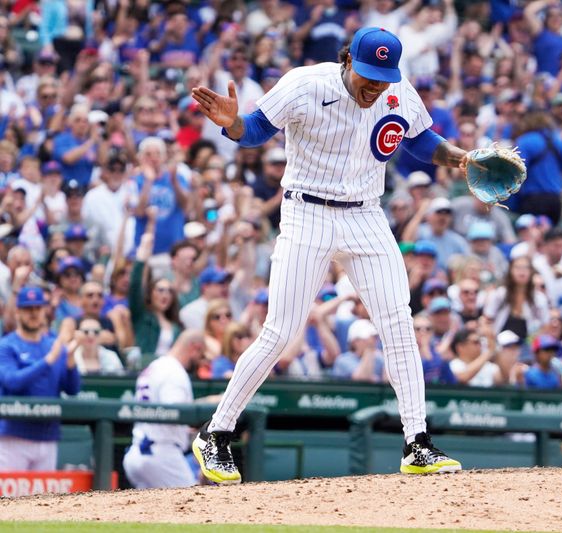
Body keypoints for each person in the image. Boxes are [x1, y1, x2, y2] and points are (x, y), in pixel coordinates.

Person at [189, 26, 465, 482]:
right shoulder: (306, 83)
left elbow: (418, 140)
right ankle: (216, 433)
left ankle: (417, 442)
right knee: (280, 331)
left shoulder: (396, 91)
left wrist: (462, 159)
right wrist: (233, 124)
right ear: (348, 60)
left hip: (366, 215)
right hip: (306, 211)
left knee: (398, 323)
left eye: (384, 75)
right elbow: (255, 130)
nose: (375, 85)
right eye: (368, 73)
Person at [0, 286, 80, 471]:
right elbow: (12, 381)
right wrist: (48, 361)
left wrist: (70, 360)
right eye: (28, 309)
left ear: (45, 310)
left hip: (48, 436)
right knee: (9, 499)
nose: (33, 313)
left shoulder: (53, 345)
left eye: (37, 308)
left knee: (44, 500)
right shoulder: (6, 345)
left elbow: (72, 389)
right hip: (13, 436)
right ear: (18, 312)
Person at [122, 330, 206, 488]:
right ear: (195, 347)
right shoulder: (174, 372)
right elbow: (176, 412)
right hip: (162, 455)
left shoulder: (154, 366)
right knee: (194, 503)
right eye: (201, 356)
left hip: (137, 453)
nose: (200, 362)